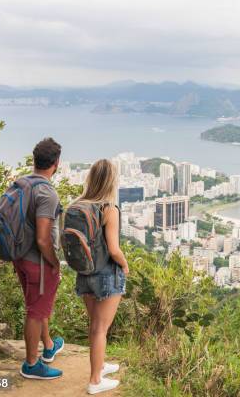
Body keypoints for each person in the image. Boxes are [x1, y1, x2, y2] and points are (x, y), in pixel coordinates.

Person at [72, 159, 129, 395]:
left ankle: (100, 365)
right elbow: (114, 249)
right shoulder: (109, 209)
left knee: (95, 325)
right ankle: (95, 381)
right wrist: (125, 266)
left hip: (84, 273)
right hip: (106, 275)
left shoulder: (76, 205)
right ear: (111, 182)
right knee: (100, 328)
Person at [16, 137, 65, 379]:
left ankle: (48, 346)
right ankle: (31, 364)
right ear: (56, 163)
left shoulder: (21, 183)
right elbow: (44, 240)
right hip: (38, 262)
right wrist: (54, 262)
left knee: (38, 304)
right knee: (36, 312)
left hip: (20, 257)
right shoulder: (47, 192)